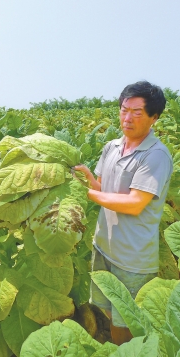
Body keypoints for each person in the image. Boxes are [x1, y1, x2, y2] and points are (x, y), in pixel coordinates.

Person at [74, 81, 173, 345]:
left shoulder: (156, 155)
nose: (127, 118)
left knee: (127, 322)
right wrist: (86, 181)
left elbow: (135, 203)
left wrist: (91, 194)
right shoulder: (111, 147)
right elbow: (101, 187)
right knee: (107, 310)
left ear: (154, 117)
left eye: (137, 112)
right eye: (124, 110)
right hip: (104, 246)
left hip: (132, 258)